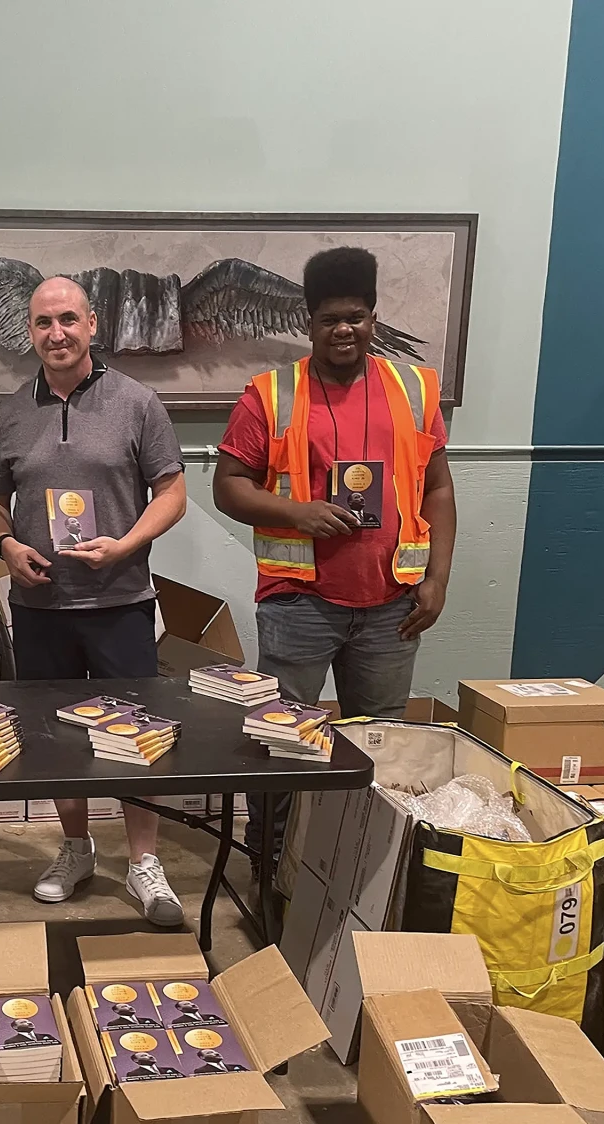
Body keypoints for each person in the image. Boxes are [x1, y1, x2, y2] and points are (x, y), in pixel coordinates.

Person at [212, 247, 455, 867]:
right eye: (328, 319)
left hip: (392, 606)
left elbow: (439, 486)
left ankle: (359, 867)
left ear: (373, 317)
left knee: (380, 746)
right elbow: (228, 484)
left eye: (356, 316)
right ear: (308, 322)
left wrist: (438, 578)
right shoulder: (271, 394)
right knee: (283, 744)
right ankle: (270, 864)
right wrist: (297, 513)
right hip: (301, 604)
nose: (344, 330)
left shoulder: (415, 388)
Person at [0, 277, 189, 926]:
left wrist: (126, 545)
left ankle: (144, 862)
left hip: (122, 602)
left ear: (93, 325)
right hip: (40, 608)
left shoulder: (138, 403)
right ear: (31, 333)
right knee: (56, 741)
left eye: (68, 319)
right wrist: (8, 546)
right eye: (44, 323)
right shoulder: (12, 412)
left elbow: (173, 493)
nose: (57, 334)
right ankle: (76, 849)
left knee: (136, 738)